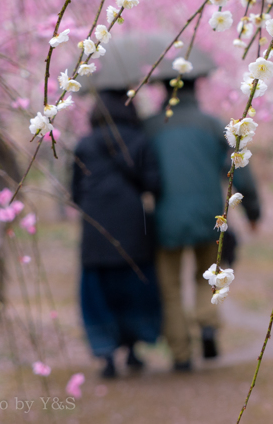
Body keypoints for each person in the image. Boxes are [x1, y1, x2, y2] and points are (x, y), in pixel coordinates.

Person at [145, 78, 261, 371]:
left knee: (170, 287)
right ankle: (207, 325)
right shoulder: (212, 124)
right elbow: (237, 168)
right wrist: (253, 211)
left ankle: (181, 353)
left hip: (165, 220)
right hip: (210, 217)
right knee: (206, 275)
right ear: (196, 89)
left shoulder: (151, 127)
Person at [71, 90, 162, 379]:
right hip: (133, 231)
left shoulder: (84, 145)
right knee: (134, 291)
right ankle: (134, 350)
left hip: (96, 233)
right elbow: (154, 184)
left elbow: (74, 193)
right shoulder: (139, 141)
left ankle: (107, 355)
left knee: (98, 295)